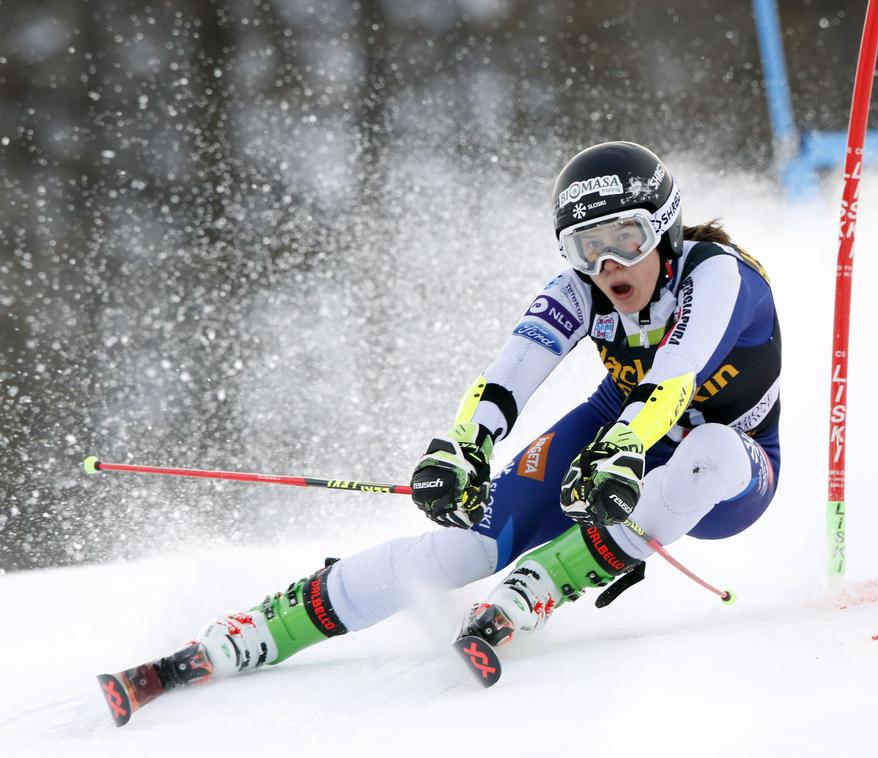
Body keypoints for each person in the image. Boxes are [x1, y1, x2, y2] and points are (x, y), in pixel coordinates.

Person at [191, 141, 783, 678]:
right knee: (467, 543)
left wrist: (623, 446)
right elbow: (508, 377)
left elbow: (674, 377)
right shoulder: (578, 290)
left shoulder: (715, 274)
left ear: (664, 229)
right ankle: (267, 628)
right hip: (617, 431)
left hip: (733, 459)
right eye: (587, 247)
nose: (608, 266)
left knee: (709, 454)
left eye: (625, 239)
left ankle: (544, 580)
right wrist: (464, 446)